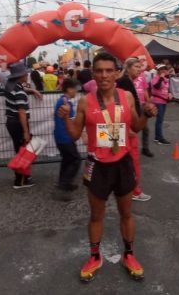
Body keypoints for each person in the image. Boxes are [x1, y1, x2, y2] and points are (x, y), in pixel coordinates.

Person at [57, 52, 157, 282]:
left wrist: (147, 114)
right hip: (97, 166)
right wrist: (65, 118)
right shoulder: (85, 101)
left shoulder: (127, 97)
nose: (104, 75)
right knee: (96, 215)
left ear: (116, 73)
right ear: (93, 74)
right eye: (99, 71)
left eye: (108, 70)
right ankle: (95, 257)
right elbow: (73, 135)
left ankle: (129, 255)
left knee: (126, 213)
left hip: (122, 163)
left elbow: (137, 126)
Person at [116, 58, 152, 202]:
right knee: (132, 161)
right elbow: (119, 106)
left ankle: (125, 188)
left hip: (127, 127)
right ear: (128, 67)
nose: (139, 69)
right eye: (137, 67)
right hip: (127, 128)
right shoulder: (124, 82)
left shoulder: (127, 80)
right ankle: (135, 191)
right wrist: (127, 128)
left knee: (124, 160)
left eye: (140, 67)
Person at [5, 62, 37, 189]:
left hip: (11, 122)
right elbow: (22, 112)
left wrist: (32, 90)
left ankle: (22, 177)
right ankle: (20, 180)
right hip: (19, 124)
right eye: (25, 73)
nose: (27, 74)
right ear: (20, 75)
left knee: (19, 151)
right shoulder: (19, 92)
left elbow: (21, 92)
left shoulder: (10, 86)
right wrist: (26, 131)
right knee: (22, 152)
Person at [54, 78, 81, 192]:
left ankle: (63, 182)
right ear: (69, 89)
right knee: (75, 159)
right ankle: (65, 183)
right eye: (75, 89)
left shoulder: (63, 100)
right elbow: (70, 120)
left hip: (60, 135)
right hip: (65, 136)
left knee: (67, 159)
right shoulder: (65, 102)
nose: (76, 92)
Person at [151, 64, 172, 145]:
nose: (164, 70)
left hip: (164, 101)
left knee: (160, 120)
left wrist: (170, 93)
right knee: (159, 120)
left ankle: (157, 137)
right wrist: (161, 77)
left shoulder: (166, 79)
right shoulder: (156, 78)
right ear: (158, 71)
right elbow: (157, 87)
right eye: (161, 69)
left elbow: (167, 88)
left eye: (165, 69)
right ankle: (160, 138)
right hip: (158, 101)